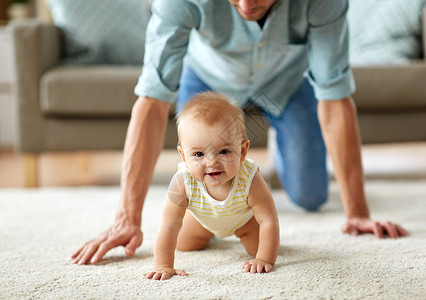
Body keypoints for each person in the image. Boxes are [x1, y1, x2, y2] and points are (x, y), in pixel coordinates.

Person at [72, 0, 408, 266]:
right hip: (208, 82)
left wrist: (359, 213)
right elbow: (152, 101)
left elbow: (335, 101)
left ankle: (281, 141)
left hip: (288, 83)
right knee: (203, 175)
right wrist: (126, 219)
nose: (246, 5)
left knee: (310, 197)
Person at [145, 92, 279, 280]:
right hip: (202, 221)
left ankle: (250, 241)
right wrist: (163, 265)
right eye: (199, 154)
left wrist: (264, 259)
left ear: (242, 151)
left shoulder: (250, 178)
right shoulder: (182, 182)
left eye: (224, 151)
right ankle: (206, 229)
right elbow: (168, 225)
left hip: (244, 223)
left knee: (262, 248)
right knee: (183, 244)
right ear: (184, 156)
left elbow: (268, 220)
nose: (211, 162)